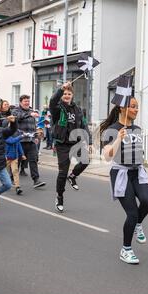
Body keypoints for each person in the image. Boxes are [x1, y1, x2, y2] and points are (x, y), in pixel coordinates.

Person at [100, 97, 148, 265]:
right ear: (123, 109)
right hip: (120, 173)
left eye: (137, 107)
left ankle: (138, 224)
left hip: (138, 171)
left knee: (147, 200)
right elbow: (107, 157)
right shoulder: (111, 129)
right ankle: (126, 249)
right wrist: (118, 139)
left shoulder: (137, 129)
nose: (136, 110)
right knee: (131, 213)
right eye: (133, 107)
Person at [49, 82, 92, 212]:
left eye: (69, 93)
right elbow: (52, 100)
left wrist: (89, 142)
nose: (67, 95)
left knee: (86, 160)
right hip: (62, 144)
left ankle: (73, 176)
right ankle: (60, 196)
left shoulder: (78, 109)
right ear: (62, 95)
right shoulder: (57, 108)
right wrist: (60, 89)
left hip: (75, 142)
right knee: (62, 172)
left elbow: (84, 125)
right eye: (65, 94)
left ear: (72, 95)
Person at [12, 95, 46, 188]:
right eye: (25, 101)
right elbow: (17, 117)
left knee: (33, 160)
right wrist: (29, 115)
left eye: (28, 101)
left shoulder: (31, 111)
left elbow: (33, 125)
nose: (27, 103)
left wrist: (35, 135)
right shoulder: (16, 110)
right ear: (20, 102)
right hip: (19, 141)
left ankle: (36, 180)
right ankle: (12, 179)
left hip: (31, 141)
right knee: (17, 161)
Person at [5, 131, 26, 195]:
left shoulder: (16, 137)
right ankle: (6, 184)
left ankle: (17, 187)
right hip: (6, 158)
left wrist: (22, 154)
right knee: (5, 173)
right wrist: (21, 136)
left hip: (14, 158)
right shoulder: (6, 136)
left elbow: (19, 146)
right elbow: (12, 141)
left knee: (15, 171)